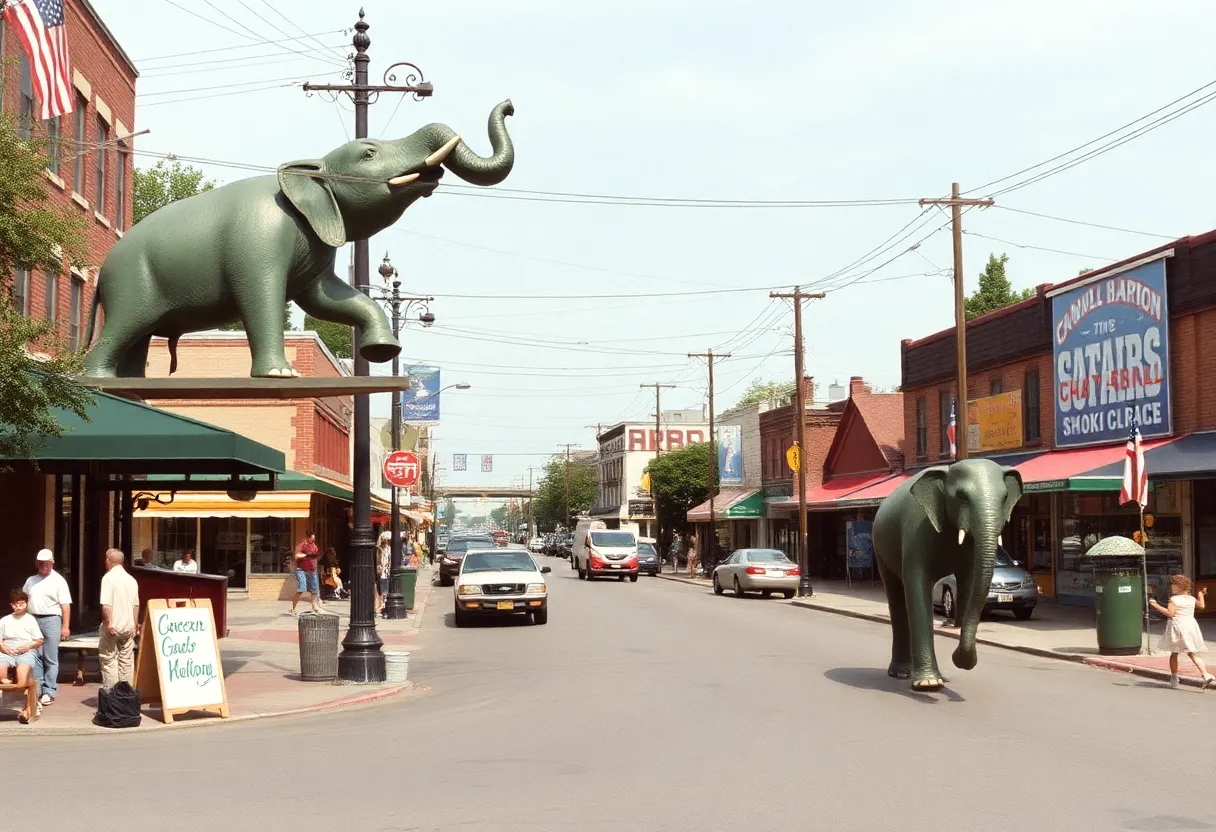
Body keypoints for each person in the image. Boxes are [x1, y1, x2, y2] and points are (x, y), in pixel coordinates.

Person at [22, 549, 71, 706]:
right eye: (41, 564)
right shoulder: (31, 580)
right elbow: (23, 600)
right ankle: (38, 688)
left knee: (50, 657)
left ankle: (49, 690)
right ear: (37, 563)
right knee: (36, 656)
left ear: (52, 563)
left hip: (51, 619)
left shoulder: (58, 580)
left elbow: (65, 605)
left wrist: (65, 626)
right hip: (32, 619)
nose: (44, 567)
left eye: (47, 564)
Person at [1148, 575, 1214, 689]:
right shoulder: (1191, 599)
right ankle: (1205, 674)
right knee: (1192, 651)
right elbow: (1201, 606)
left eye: (1173, 585)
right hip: (1190, 626)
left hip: (1177, 627)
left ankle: (1174, 677)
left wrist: (1155, 605)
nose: (1171, 587)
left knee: (1174, 652)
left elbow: (1170, 614)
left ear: (1179, 586)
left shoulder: (1174, 600)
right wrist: (1200, 594)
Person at [0, 589, 45, 722]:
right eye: (16, 604)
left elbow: (39, 640)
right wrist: (3, 647)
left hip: (25, 650)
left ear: (26, 603)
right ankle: (6, 683)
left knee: (22, 676)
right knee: (1, 671)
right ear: (11, 605)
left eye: (21, 603)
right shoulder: (4, 620)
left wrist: (26, 646)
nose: (18, 607)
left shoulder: (30, 620)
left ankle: (27, 707)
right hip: (7, 650)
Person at [99, 549, 140, 691]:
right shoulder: (131, 580)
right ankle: (126, 695)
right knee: (126, 661)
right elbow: (136, 605)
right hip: (128, 627)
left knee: (109, 661)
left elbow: (106, 605)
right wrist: (135, 626)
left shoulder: (108, 578)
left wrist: (108, 623)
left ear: (108, 561)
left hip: (113, 626)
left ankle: (111, 696)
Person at [290, 530, 322, 616]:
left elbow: (316, 555)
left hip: (311, 570)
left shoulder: (314, 546)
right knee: (302, 589)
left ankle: (314, 606)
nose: (313, 540)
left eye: (314, 539)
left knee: (314, 590)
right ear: (307, 537)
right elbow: (296, 556)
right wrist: (306, 555)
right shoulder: (302, 544)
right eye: (311, 539)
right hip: (301, 570)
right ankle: (293, 608)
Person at [375, 531, 391, 616]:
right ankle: (381, 607)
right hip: (382, 572)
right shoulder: (379, 549)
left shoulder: (389, 548)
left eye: (387, 539)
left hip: (388, 571)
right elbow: (378, 560)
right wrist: (379, 567)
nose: (386, 541)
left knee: (386, 590)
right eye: (384, 539)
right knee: (381, 590)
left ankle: (384, 607)